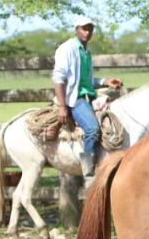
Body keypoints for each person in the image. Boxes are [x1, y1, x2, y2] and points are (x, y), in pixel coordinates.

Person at [52, 16, 122, 179]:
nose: (87, 32)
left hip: (88, 96)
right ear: (76, 29)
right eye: (84, 28)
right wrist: (62, 107)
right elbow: (58, 78)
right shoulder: (67, 48)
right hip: (75, 99)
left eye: (90, 29)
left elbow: (87, 81)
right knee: (92, 129)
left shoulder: (86, 51)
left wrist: (105, 81)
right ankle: (89, 171)